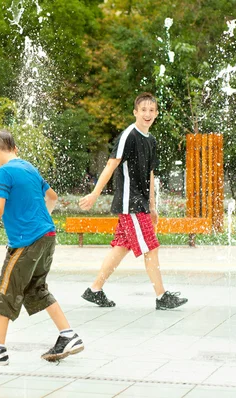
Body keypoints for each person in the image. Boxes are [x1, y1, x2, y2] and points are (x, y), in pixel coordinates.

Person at [0, 130, 83, 365]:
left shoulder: (4, 171)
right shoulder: (29, 167)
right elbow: (53, 197)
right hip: (47, 236)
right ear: (15, 149)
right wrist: (39, 222)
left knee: (4, 289)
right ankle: (68, 335)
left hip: (27, 241)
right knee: (36, 288)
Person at [79, 92, 188, 310]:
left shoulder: (151, 140)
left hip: (141, 204)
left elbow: (150, 175)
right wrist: (94, 194)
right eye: (143, 110)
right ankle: (161, 296)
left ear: (156, 114)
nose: (147, 114)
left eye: (151, 110)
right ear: (135, 112)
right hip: (130, 203)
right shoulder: (128, 136)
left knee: (121, 246)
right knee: (151, 246)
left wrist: (153, 207)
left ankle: (95, 289)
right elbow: (111, 165)